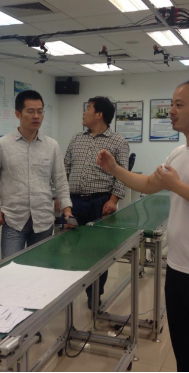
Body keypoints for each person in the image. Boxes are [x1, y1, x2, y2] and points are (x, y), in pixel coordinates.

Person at [97, 79, 189, 372]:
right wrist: (114, 169)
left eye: (179, 104)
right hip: (178, 271)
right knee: (186, 357)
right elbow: (149, 184)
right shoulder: (178, 153)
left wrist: (176, 185)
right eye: (171, 104)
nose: (171, 111)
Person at [0, 90, 73, 259]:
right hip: (13, 220)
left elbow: (60, 180)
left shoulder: (52, 146)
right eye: (30, 111)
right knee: (11, 269)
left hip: (43, 220)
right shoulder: (1, 145)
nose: (36, 116)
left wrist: (67, 207)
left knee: (39, 269)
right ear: (18, 114)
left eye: (40, 111)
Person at [64, 97, 129, 309]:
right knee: (74, 250)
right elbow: (65, 169)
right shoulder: (76, 139)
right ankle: (72, 292)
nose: (84, 113)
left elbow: (122, 175)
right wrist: (63, 199)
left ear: (99, 114)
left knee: (98, 252)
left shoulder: (118, 142)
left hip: (100, 203)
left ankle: (95, 294)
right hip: (75, 202)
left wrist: (113, 200)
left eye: (88, 108)